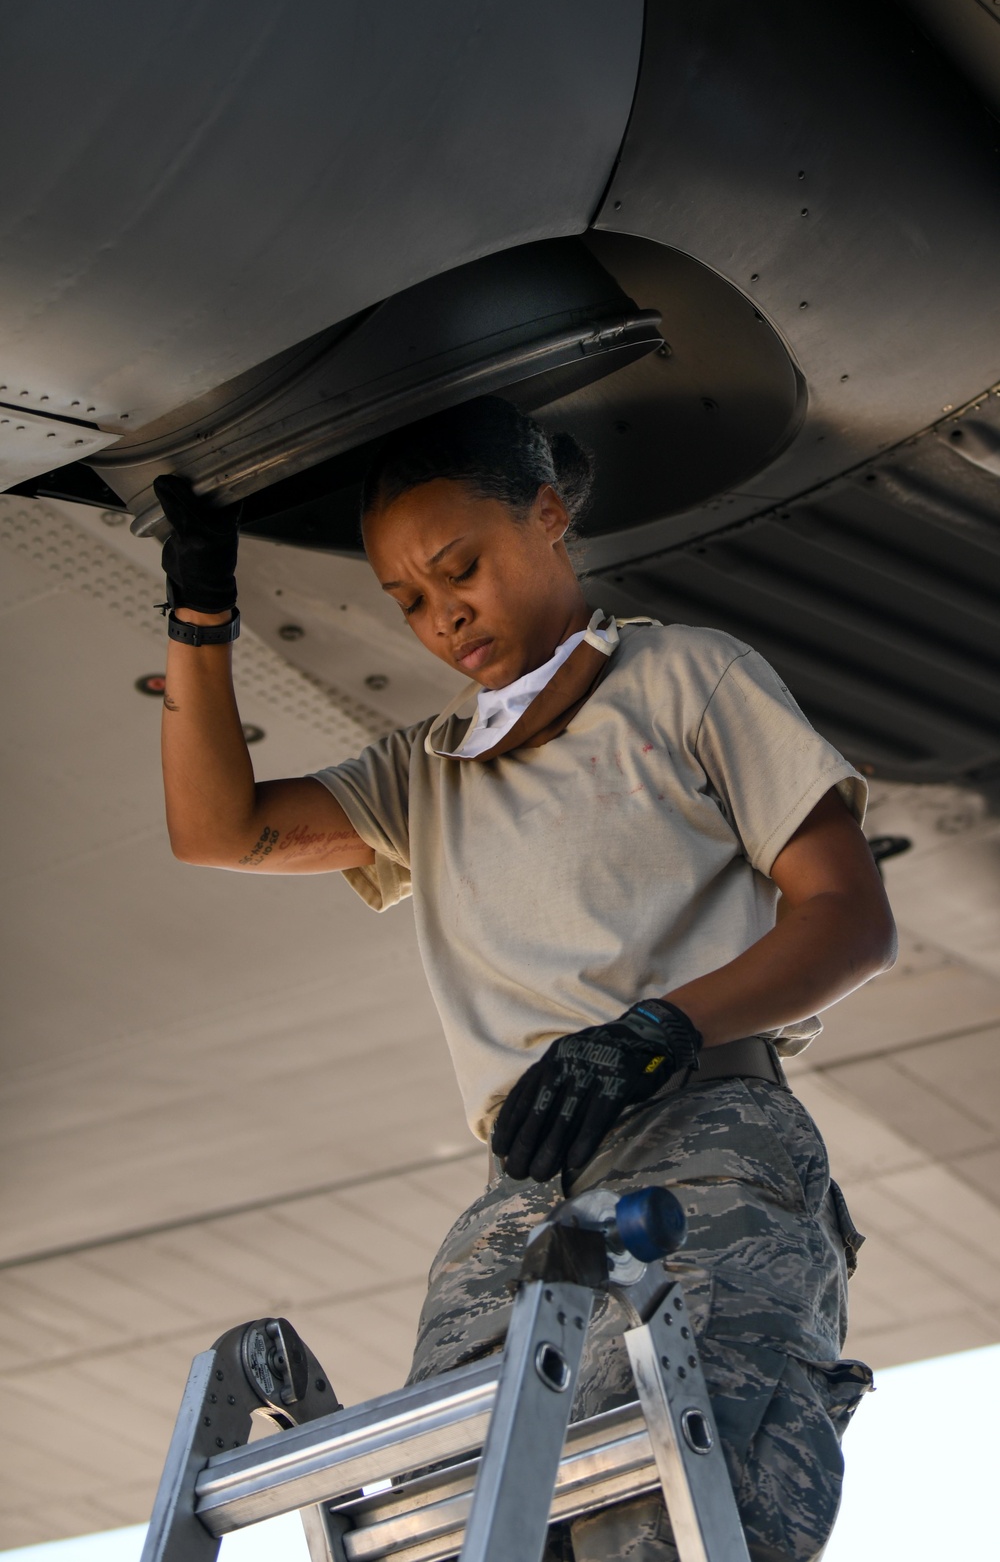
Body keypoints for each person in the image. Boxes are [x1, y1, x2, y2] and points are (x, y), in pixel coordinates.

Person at [155, 395, 895, 1562]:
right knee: (447, 1524)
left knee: (661, 1514)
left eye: (462, 568)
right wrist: (199, 616)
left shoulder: (684, 678)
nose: (443, 613)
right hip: (519, 1190)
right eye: (408, 598)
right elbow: (218, 827)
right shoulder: (427, 769)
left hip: (698, 1132)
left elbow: (850, 919)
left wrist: (662, 1026)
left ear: (548, 516)